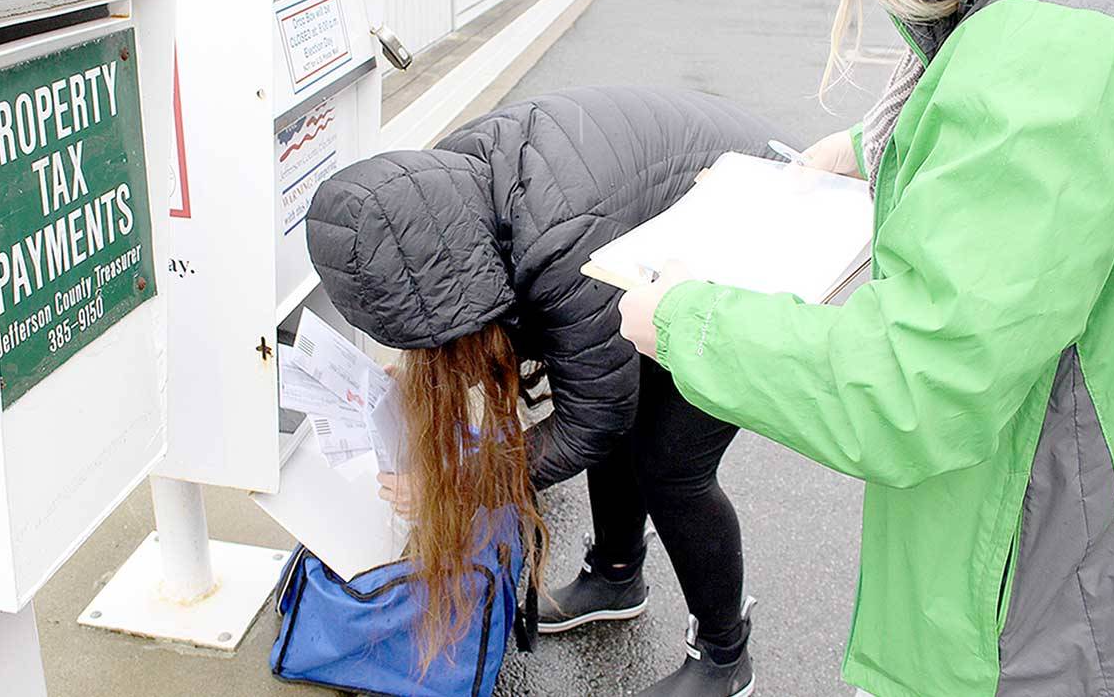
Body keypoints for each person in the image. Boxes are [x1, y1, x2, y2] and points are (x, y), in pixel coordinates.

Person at [617, 0, 1114, 696]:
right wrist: (867, 148)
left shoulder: (1054, 51)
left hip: (1055, 603)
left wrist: (687, 321)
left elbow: (916, 385)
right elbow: (1072, 164)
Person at [306, 87, 773, 696]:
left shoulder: (557, 242)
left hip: (758, 226)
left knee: (671, 463)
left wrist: (460, 481)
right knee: (614, 396)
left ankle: (724, 655)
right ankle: (615, 576)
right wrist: (431, 370)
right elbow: (492, 304)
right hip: (658, 228)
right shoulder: (442, 198)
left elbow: (593, 418)